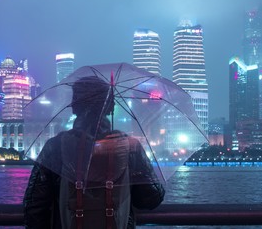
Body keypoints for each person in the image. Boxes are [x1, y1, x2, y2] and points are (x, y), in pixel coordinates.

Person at [23, 76, 165, 229]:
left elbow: (34, 204)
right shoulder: (130, 147)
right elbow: (151, 199)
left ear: (74, 106)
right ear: (110, 106)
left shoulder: (55, 146)